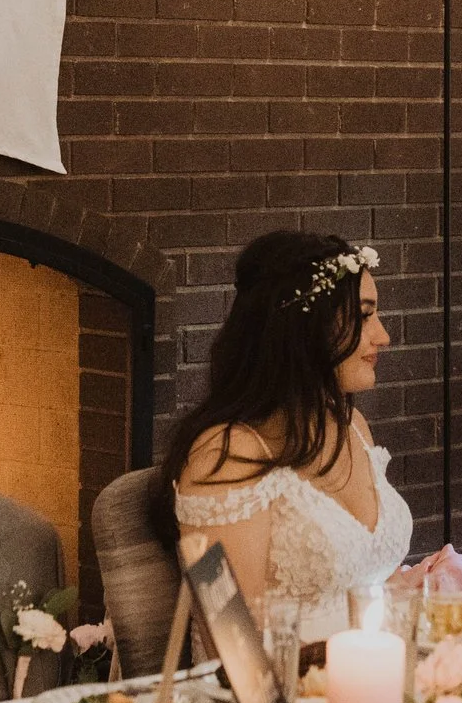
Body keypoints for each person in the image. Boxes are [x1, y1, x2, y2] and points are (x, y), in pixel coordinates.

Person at [150, 231, 414, 642]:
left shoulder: (353, 426)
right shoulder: (225, 455)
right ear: (305, 328)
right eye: (364, 316)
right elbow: (232, 641)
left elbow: (379, 576)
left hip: (378, 664)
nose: (383, 336)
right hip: (287, 677)